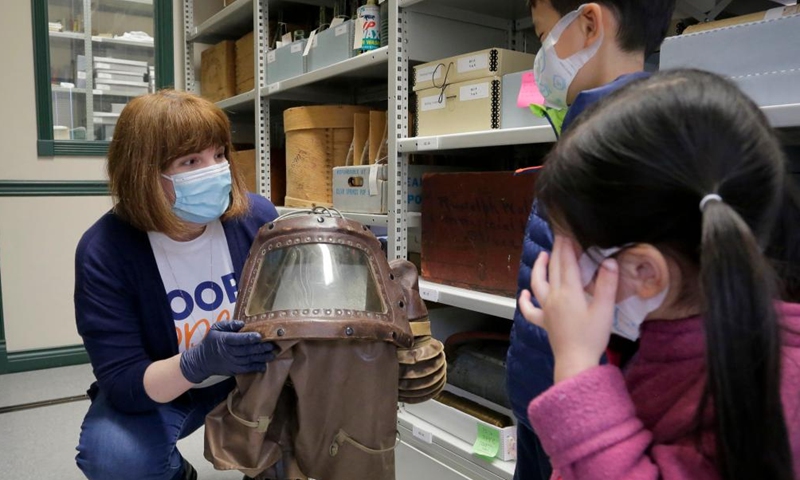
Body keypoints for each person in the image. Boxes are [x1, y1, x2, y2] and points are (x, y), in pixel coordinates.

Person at [519, 69, 800, 479]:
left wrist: (577, 367)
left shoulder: (774, 396)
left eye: (568, 252)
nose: (561, 277)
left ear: (645, 272)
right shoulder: (680, 335)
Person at [506, 1, 676, 477]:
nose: (542, 55)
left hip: (580, 411)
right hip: (555, 397)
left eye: (544, 37)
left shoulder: (619, 147)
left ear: (588, 24)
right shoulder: (593, 129)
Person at [74, 90, 279, 480]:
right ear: (143, 173)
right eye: (191, 161)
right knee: (115, 457)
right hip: (170, 386)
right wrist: (198, 361)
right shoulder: (105, 250)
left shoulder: (255, 218)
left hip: (256, 376)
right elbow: (123, 381)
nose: (215, 170)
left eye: (219, 154)